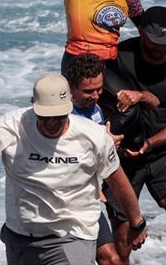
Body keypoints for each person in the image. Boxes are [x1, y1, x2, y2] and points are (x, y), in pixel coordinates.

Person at [0, 73, 147, 264]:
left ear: (69, 105)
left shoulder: (93, 136)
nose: (52, 122)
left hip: (72, 233)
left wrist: (137, 222)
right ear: (33, 105)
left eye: (59, 116)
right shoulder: (12, 126)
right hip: (20, 235)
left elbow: (117, 181)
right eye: (45, 116)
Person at [101, 5, 166, 265]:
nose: (162, 49)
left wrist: (150, 143)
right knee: (122, 243)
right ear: (142, 33)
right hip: (121, 160)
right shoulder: (120, 55)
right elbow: (90, 89)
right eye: (157, 42)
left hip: (164, 153)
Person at [64, 53, 125, 265]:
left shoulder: (95, 108)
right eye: (89, 91)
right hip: (66, 203)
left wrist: (109, 143)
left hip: (88, 197)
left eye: (99, 89)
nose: (96, 95)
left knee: (110, 259)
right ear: (71, 89)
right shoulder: (63, 117)